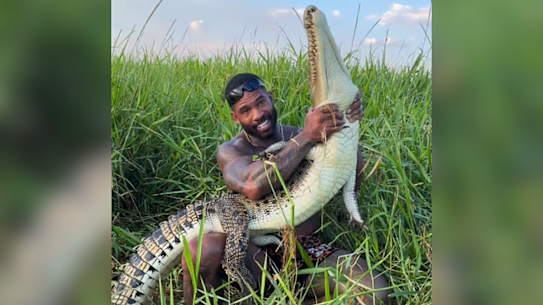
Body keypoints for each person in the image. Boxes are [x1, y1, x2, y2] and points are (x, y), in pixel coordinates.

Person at [181, 73, 393, 304]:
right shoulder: (232, 151)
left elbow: (355, 179)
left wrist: (349, 128)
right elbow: (252, 185)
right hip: (256, 254)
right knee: (200, 249)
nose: (258, 114)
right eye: (246, 110)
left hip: (309, 248)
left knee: (376, 294)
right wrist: (306, 137)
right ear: (235, 117)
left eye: (261, 102)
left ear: (271, 99)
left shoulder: (304, 133)